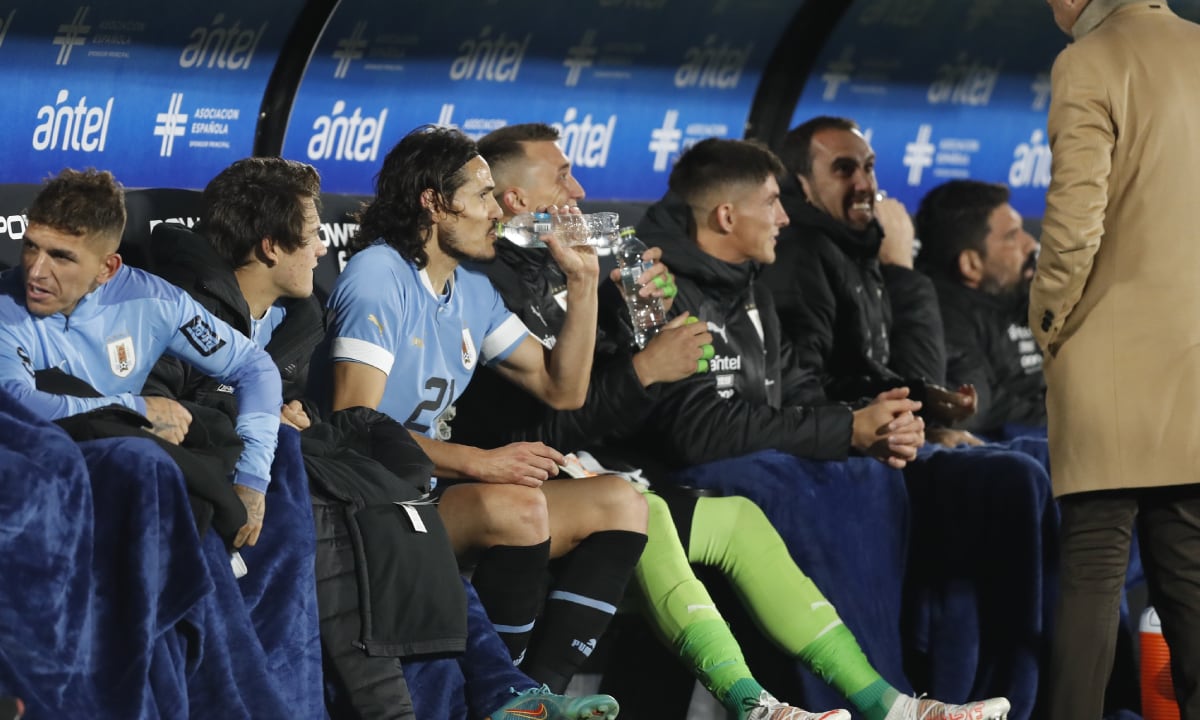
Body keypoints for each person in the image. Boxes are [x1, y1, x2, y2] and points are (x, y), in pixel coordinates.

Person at [144, 156, 620, 720]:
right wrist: (264, 418)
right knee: (392, 516)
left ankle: (509, 694)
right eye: (313, 234)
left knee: (414, 515)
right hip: (257, 491)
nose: (323, 249)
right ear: (272, 246)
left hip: (340, 475)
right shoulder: (186, 306)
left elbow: (562, 390)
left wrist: (584, 283)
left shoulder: (298, 317)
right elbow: (163, 407)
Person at [455, 122, 864, 720]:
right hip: (510, 483)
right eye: (562, 175)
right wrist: (643, 369)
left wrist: (634, 322)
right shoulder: (489, 284)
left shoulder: (559, 272)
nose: (580, 188)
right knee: (640, 510)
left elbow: (605, 409)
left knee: (738, 519)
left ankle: (885, 702)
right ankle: (751, 703)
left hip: (583, 474)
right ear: (516, 201)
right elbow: (538, 433)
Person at [318, 125, 648, 693]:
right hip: (367, 499)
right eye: (482, 196)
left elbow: (561, 388)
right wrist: (479, 462)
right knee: (517, 509)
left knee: (620, 502)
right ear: (434, 202)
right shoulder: (379, 274)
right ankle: (502, 695)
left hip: (429, 492)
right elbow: (353, 428)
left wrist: (585, 281)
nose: (498, 211)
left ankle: (536, 694)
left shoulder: (471, 288)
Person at [1032, 1, 1200, 716]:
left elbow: (1075, 223)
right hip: (1194, 358)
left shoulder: (1088, 61)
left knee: (1094, 572)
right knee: (1191, 578)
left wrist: (1048, 322)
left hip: (1107, 356)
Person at [0, 167, 280, 549]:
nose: (36, 270)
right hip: (42, 477)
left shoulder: (155, 301)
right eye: (31, 246)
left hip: (126, 476)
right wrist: (135, 409)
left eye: (61, 257)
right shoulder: (5, 308)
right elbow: (16, 406)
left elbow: (254, 367)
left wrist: (252, 477)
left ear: (107, 268)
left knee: (282, 455)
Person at [761, 117, 978, 446]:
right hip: (838, 447)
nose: (864, 184)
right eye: (844, 169)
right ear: (802, 183)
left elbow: (858, 368)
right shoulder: (801, 254)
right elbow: (804, 389)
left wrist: (924, 397)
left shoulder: (856, 248)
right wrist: (892, 423)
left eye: (869, 167)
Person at [913, 180, 1044, 438]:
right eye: (1011, 237)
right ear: (971, 264)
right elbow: (980, 405)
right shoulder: (941, 315)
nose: (1031, 243)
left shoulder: (1022, 292)